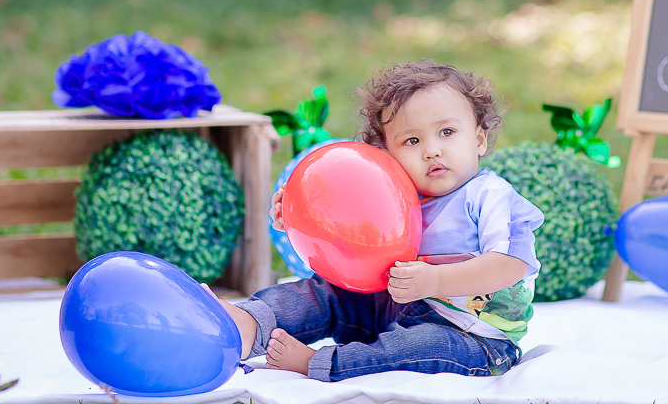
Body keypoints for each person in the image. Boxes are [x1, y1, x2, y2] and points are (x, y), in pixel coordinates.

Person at [215, 60, 545, 381]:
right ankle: (248, 324)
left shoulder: (491, 196)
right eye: (412, 141)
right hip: (392, 309)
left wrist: (435, 282)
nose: (432, 150)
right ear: (387, 153)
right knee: (325, 292)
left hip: (473, 339)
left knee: (416, 346)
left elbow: (510, 264)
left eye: (447, 132)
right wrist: (297, 219)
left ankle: (321, 363)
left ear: (479, 139)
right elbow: (350, 239)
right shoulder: (396, 194)